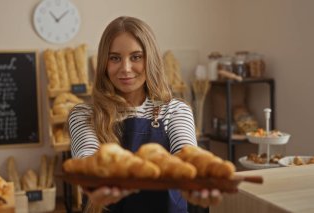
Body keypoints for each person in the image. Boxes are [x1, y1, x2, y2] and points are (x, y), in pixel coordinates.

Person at [68, 16, 222, 213]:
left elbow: (186, 156)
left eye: (136, 57)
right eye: (115, 57)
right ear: (104, 63)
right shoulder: (84, 115)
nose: (125, 68)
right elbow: (87, 161)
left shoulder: (174, 111)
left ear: (150, 60)